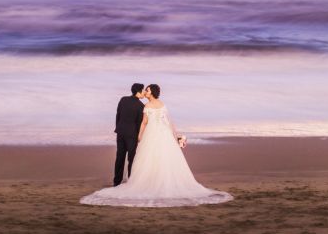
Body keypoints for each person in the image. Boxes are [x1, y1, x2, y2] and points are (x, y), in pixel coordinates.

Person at [81, 83, 233, 207]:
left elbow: (143, 123)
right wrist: (175, 136)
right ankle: (149, 180)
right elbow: (169, 122)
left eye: (147, 90)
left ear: (151, 92)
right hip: (163, 134)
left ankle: (124, 181)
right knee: (160, 157)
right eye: (144, 90)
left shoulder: (142, 105)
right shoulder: (160, 105)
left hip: (140, 133)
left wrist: (139, 135)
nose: (145, 92)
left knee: (139, 157)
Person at [112, 83, 145, 186]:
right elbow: (139, 123)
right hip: (132, 135)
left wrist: (118, 128)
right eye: (143, 90)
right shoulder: (141, 106)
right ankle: (131, 182)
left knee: (120, 157)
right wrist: (139, 136)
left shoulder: (123, 99)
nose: (144, 92)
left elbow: (118, 115)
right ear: (138, 92)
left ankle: (116, 182)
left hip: (120, 132)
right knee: (131, 159)